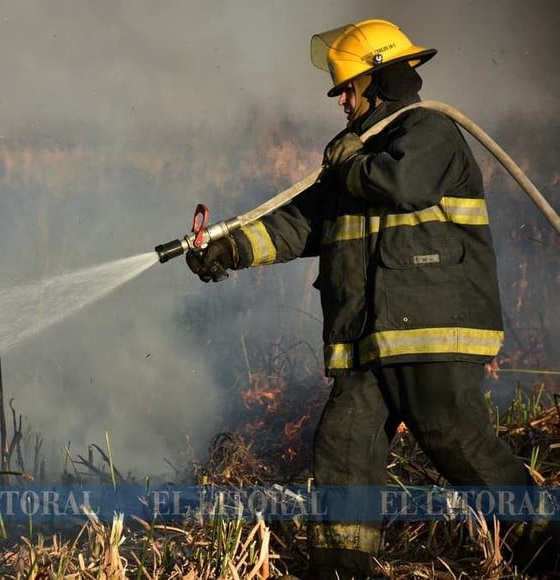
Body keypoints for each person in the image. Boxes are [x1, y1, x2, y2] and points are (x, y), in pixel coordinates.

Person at [186, 19, 555, 578]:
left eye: (348, 87)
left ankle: (542, 537)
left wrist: (349, 160)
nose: (341, 100)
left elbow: (402, 185)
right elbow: (299, 223)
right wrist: (230, 249)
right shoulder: (359, 155)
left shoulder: (427, 133)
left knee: (453, 437)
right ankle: (341, 564)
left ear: (380, 80)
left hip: (431, 328)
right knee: (344, 445)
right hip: (368, 334)